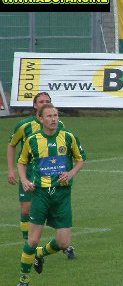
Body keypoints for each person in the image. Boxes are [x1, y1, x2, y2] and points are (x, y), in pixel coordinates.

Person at [16, 103, 86, 286]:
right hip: (41, 195)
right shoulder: (32, 140)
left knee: (63, 242)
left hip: (62, 196)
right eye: (49, 116)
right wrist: (24, 180)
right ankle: (24, 279)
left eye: (55, 115)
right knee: (32, 239)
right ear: (40, 119)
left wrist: (71, 173)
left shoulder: (68, 137)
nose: (54, 119)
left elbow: (80, 159)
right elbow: (22, 162)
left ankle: (40, 253)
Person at [7, 92, 76, 259]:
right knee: (26, 208)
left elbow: (66, 147)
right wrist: (11, 170)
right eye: (41, 102)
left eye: (47, 101)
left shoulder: (60, 127)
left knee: (56, 213)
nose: (44, 103)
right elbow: (12, 145)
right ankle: (29, 245)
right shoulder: (24, 125)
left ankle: (55, 246)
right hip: (30, 174)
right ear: (35, 106)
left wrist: (69, 171)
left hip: (53, 180)